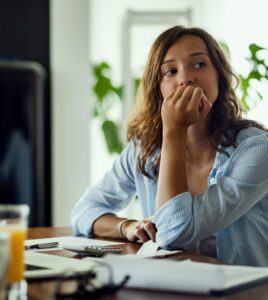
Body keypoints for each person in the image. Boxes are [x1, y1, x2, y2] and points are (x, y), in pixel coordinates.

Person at [71, 26, 268, 266]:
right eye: (170, 71)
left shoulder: (256, 150)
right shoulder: (144, 150)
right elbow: (84, 210)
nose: (185, 78)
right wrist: (126, 227)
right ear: (159, 88)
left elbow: (175, 233)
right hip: (169, 286)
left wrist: (174, 131)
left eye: (199, 65)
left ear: (220, 75)